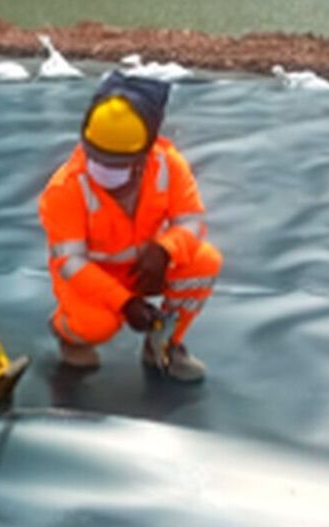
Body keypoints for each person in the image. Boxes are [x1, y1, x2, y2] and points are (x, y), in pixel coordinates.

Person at [38, 71, 222, 382]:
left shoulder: (168, 164)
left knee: (205, 262)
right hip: (91, 278)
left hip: (145, 267)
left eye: (117, 164)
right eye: (98, 159)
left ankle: (163, 345)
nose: (105, 172)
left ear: (144, 154)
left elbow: (191, 221)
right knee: (96, 324)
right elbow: (70, 263)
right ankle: (67, 333)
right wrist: (124, 302)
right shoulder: (64, 189)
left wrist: (165, 251)